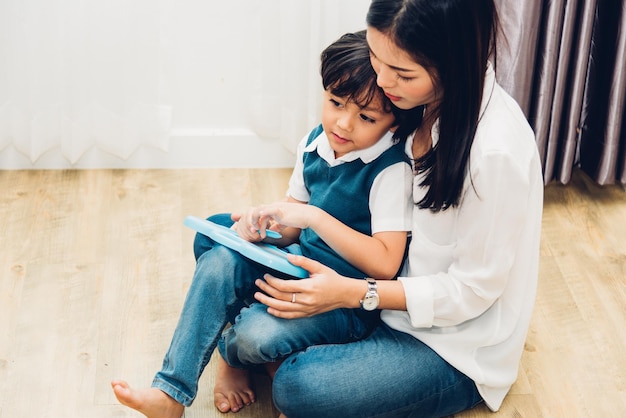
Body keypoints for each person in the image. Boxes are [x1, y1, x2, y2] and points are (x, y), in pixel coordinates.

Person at [245, 0, 544, 417]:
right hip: (377, 296)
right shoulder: (412, 100)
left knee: (300, 387)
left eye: (402, 74)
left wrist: (353, 294)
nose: (383, 81)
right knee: (222, 235)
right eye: (376, 56)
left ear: (454, 63)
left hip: (448, 344)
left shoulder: (494, 154)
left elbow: (471, 292)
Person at [110, 30, 413, 417]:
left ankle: (233, 355)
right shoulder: (316, 142)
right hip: (294, 263)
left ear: (392, 125)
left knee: (256, 333)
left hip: (342, 300)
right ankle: (170, 393)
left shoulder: (390, 171)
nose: (344, 124)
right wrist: (264, 224)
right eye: (335, 102)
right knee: (216, 245)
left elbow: (386, 264)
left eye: (366, 117)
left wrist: (313, 218)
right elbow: (291, 226)